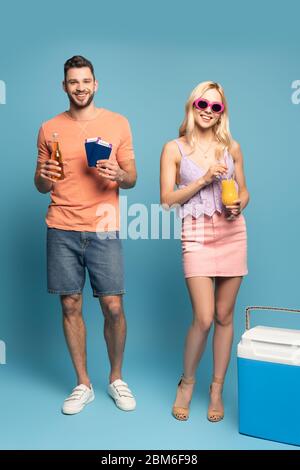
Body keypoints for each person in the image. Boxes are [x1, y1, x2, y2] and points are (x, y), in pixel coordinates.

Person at [34, 55, 137, 415]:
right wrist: (45, 175)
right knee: (70, 304)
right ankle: (83, 384)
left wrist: (118, 173)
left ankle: (116, 378)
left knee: (112, 305)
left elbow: (132, 177)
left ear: (96, 84)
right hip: (61, 225)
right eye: (73, 82)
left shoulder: (118, 123)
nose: (80, 87)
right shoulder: (49, 128)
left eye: (86, 81)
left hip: (103, 227)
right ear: (65, 86)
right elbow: (40, 183)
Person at [160, 81, 249, 422]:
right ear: (192, 105)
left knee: (225, 317)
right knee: (204, 317)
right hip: (196, 234)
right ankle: (188, 381)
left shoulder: (232, 147)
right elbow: (167, 199)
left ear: (222, 113)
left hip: (232, 233)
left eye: (216, 107)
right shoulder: (174, 149)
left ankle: (216, 388)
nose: (208, 111)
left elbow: (245, 191)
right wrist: (202, 180)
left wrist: (239, 205)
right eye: (203, 103)